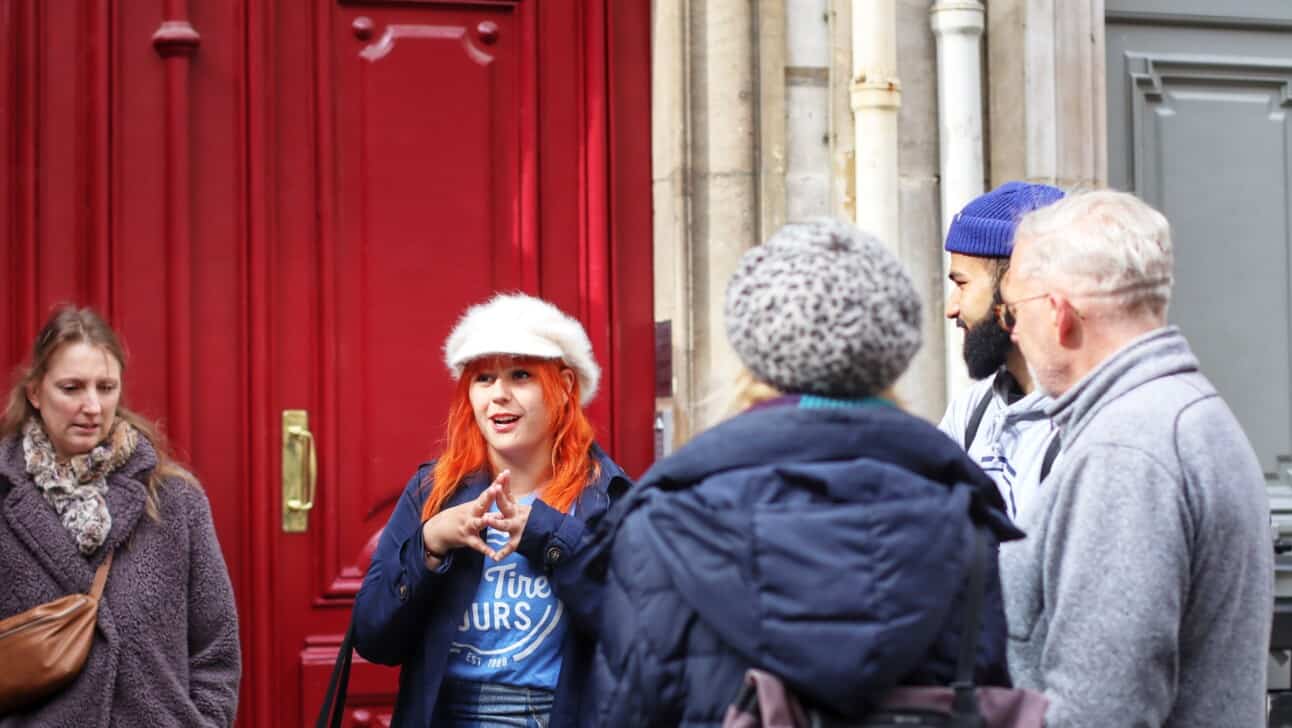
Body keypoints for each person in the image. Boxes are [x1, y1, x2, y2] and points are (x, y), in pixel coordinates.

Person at [579, 218, 1023, 726]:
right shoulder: (964, 518)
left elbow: (628, 708)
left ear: (755, 349)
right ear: (889, 351)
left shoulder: (663, 522)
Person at [998, 189, 1273, 726]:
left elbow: (1102, 710)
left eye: (1013, 310)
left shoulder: (1127, 450)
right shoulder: (1184, 414)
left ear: (1059, 314)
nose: (1011, 329)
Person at [351, 293, 632, 728]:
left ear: (565, 387)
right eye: (483, 378)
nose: (498, 395)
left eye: (520, 375)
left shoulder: (606, 496)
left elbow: (637, 632)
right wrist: (429, 546)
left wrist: (549, 536)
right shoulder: (433, 492)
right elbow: (373, 639)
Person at [0, 306, 241, 726]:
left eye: (106, 387)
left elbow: (216, 647)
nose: (92, 405)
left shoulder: (174, 500)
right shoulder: (6, 498)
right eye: (72, 388)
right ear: (35, 393)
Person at [939, 181, 1065, 519]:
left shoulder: (1082, 430)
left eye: (962, 284)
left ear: (1012, 288)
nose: (952, 308)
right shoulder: (971, 412)